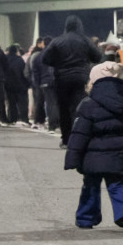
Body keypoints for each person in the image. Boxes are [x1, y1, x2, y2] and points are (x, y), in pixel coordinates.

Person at [64, 61, 123, 232]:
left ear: (93, 83)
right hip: (118, 153)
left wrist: (72, 158)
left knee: (90, 187)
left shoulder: (88, 104)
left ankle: (86, 218)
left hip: (92, 155)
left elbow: (79, 134)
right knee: (118, 186)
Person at [42, 16, 102, 147]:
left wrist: (57, 63)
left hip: (61, 78)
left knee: (63, 109)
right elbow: (97, 57)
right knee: (78, 108)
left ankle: (66, 140)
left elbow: (45, 58)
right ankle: (78, 139)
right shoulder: (85, 40)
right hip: (80, 78)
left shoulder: (57, 40)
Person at [32, 36, 60, 132]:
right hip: (57, 81)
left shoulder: (38, 56)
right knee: (58, 102)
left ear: (43, 44)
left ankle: (52, 124)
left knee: (50, 103)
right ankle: (58, 122)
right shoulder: (57, 55)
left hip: (44, 82)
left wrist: (38, 84)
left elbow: (35, 72)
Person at [5, 44, 30, 125]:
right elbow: (24, 72)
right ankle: (24, 119)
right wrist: (27, 83)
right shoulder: (19, 60)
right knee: (23, 103)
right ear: (16, 51)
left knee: (11, 103)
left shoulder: (5, 59)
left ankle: (12, 118)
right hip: (20, 84)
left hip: (8, 85)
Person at [26, 37, 46, 129]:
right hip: (39, 81)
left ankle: (39, 120)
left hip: (35, 82)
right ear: (39, 44)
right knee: (40, 102)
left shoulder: (33, 55)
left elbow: (27, 71)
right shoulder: (39, 55)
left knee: (38, 102)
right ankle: (39, 120)